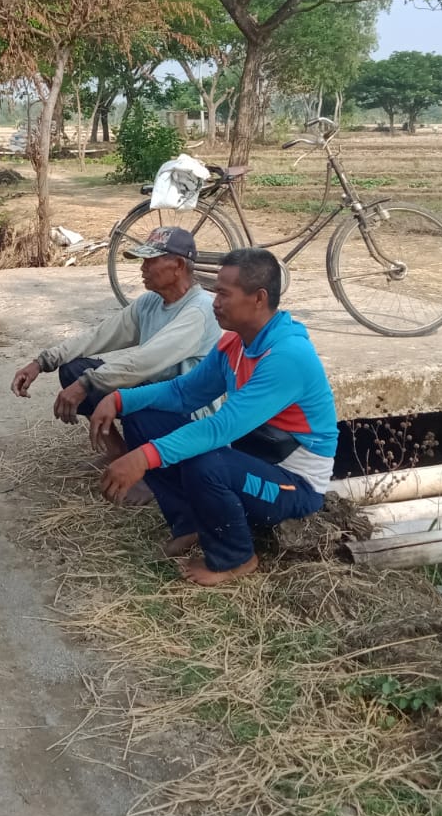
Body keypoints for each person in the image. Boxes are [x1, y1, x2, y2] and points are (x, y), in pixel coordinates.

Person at [88, 248, 338, 586]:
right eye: (214, 290)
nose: (213, 301)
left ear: (258, 299)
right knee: (144, 418)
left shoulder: (286, 356)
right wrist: (119, 399)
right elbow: (183, 393)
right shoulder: (235, 343)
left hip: (293, 486)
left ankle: (236, 558)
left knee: (206, 464)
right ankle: (190, 523)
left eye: (223, 292)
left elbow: (220, 427)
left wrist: (143, 459)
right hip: (250, 462)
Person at [9, 226, 221, 437]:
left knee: (129, 400)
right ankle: (116, 453)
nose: (142, 268)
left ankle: (138, 461)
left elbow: (144, 361)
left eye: (150, 261)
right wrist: (43, 362)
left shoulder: (199, 311)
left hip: (188, 413)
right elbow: (99, 335)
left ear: (178, 265)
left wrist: (86, 384)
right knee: (72, 369)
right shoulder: (150, 302)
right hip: (157, 394)